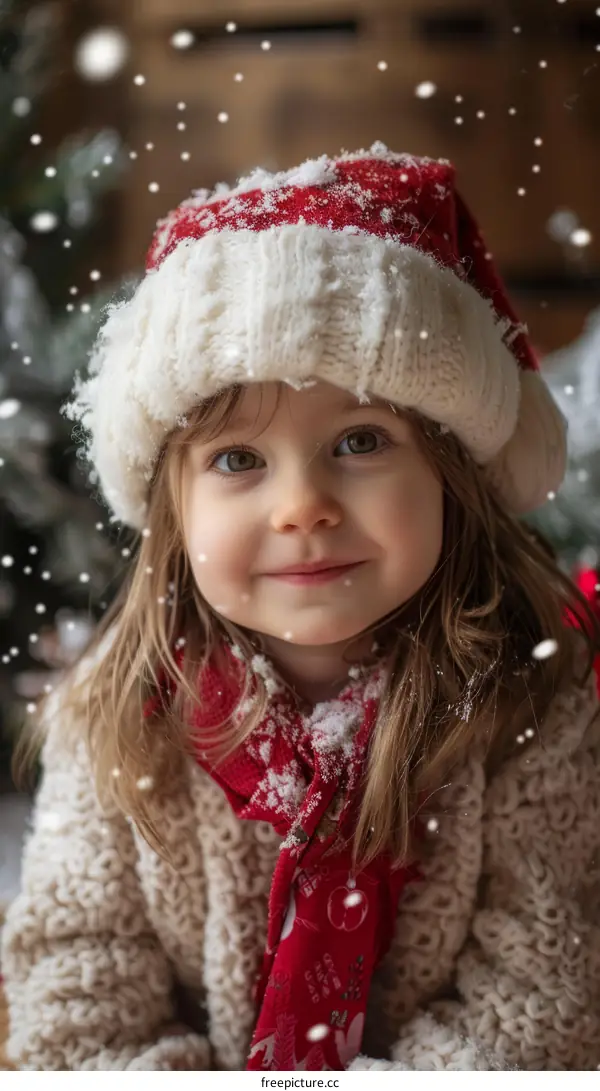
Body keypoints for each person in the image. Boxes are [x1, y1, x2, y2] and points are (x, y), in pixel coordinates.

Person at [2, 144, 600, 1072]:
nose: (301, 506)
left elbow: (543, 991)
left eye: (359, 439)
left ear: (452, 475)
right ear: (173, 509)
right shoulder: (121, 722)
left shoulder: (533, 707)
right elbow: (75, 991)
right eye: (239, 460)